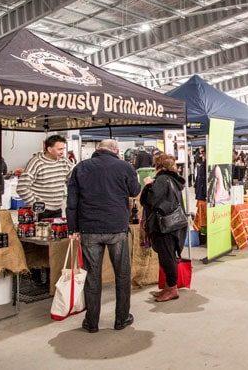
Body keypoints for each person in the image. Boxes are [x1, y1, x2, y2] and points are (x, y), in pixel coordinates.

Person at [67, 139, 141, 333]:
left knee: (92, 277)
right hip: (116, 227)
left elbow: (72, 200)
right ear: (116, 150)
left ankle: (92, 322)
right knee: (122, 275)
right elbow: (135, 192)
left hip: (89, 228)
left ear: (97, 149)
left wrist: (72, 228)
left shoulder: (81, 167)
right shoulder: (124, 167)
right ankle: (122, 318)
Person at [141, 154, 188, 302]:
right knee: (168, 256)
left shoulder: (161, 180)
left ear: (159, 166)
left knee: (167, 258)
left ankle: (172, 288)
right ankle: (168, 287)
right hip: (174, 224)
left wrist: (148, 185)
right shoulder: (173, 179)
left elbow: (149, 201)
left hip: (165, 226)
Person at [17, 134, 73, 219]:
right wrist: (35, 204)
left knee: (56, 232)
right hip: (40, 212)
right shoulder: (36, 163)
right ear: (49, 149)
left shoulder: (65, 161)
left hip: (57, 210)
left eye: (63, 149)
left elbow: (73, 181)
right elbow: (22, 188)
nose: (62, 152)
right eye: (60, 149)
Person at [193, 147, 207, 231]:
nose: (202, 154)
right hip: (202, 195)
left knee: (203, 216)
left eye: (203, 152)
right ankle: (202, 230)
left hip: (204, 195)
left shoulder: (207, 163)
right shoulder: (203, 163)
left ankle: (203, 230)